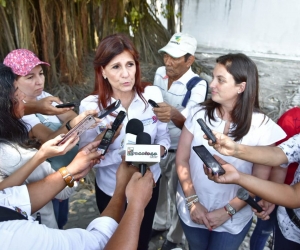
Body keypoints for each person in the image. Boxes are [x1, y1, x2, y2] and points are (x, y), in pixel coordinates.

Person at [175, 53, 286, 250]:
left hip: (234, 218)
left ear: (241, 87)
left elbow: (258, 180)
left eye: (220, 80)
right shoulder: (198, 113)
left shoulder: (262, 126)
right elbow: (182, 159)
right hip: (193, 208)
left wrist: (227, 211)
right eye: (213, 77)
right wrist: (192, 202)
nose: (211, 84)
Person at [79, 33, 170, 250]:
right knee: (114, 241)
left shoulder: (152, 94)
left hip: (148, 185)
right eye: (116, 67)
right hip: (111, 190)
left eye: (130, 64)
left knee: (142, 240)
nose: (126, 74)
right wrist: (114, 150)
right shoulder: (91, 107)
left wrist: (156, 152)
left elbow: (164, 138)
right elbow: (84, 156)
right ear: (102, 71)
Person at [3, 49, 99, 229]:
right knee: (47, 221)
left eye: (40, 74)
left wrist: (77, 122)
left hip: (65, 173)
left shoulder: (46, 97)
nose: (39, 81)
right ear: (11, 82)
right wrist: (75, 125)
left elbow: (70, 116)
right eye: (29, 77)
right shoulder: (16, 115)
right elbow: (51, 138)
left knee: (61, 219)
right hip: (45, 178)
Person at [0, 141, 154, 250]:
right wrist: (135, 203)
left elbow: (17, 198)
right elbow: (100, 242)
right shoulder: (17, 237)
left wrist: (71, 171)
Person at [151, 32, 207, 249]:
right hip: (159, 145)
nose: (168, 62)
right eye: (166, 56)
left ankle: (174, 238)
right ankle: (159, 223)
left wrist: (173, 113)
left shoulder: (198, 85)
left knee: (180, 196)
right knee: (158, 188)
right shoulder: (159, 73)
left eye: (175, 58)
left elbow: (190, 125)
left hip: (180, 151)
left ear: (189, 60)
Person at [203, 130, 300, 250]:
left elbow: (296, 196)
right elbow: (279, 154)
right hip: (288, 225)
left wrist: (239, 177)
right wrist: (235, 149)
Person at [250, 108, 300, 250]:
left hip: (291, 195)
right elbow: (279, 162)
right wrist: (271, 197)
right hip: (276, 185)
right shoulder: (292, 118)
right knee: (264, 228)